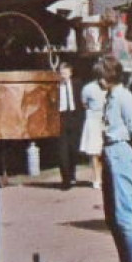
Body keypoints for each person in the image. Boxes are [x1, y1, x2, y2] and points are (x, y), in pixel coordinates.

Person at [97, 55, 132, 262]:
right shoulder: (109, 97)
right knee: (113, 218)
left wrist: (131, 157)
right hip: (110, 154)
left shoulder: (124, 97)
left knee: (125, 217)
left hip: (121, 153)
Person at [56, 60, 83, 189]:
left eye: (65, 72)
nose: (63, 75)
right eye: (61, 73)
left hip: (74, 117)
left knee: (73, 149)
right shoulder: (56, 86)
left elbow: (81, 102)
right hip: (61, 118)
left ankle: (72, 174)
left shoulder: (77, 84)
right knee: (62, 151)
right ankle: (65, 180)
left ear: (70, 73)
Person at [79, 64, 106, 187]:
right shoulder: (88, 88)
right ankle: (97, 179)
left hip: (106, 120)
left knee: (105, 152)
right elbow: (84, 104)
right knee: (95, 152)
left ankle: (104, 178)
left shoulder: (108, 87)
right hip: (94, 120)